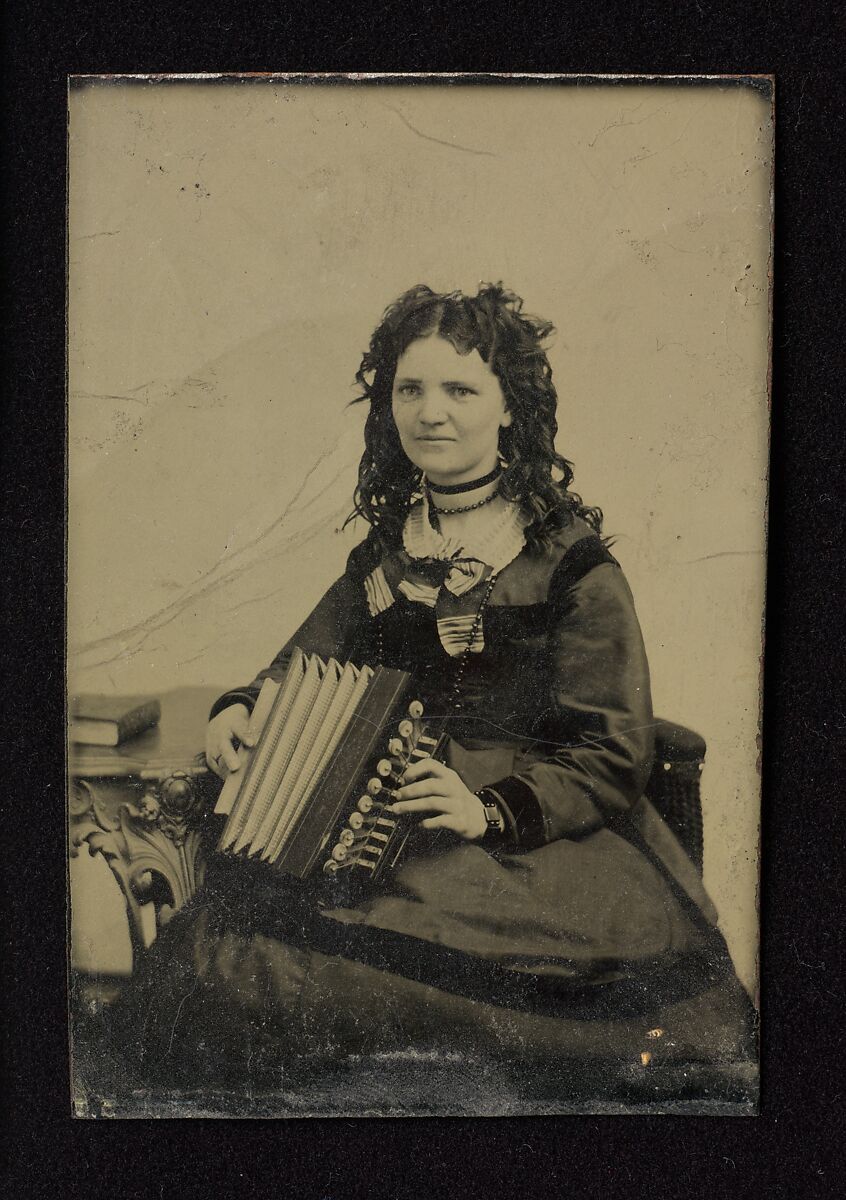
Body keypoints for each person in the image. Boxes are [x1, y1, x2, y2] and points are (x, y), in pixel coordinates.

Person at [113, 284, 755, 1104]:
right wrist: (242, 707)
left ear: (510, 408)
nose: (431, 412)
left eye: (460, 389)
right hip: (376, 819)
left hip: (528, 842)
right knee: (235, 979)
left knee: (421, 1011)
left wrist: (485, 809)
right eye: (409, 389)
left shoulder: (572, 566)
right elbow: (302, 661)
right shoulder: (389, 552)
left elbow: (615, 751)